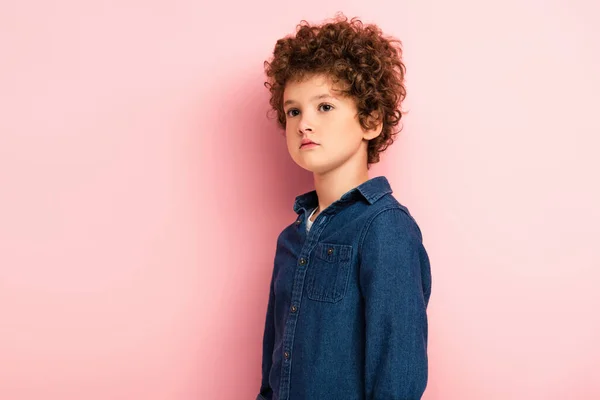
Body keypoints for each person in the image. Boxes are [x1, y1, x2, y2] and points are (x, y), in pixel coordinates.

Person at [257, 13, 432, 400]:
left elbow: (397, 377)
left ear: (370, 121)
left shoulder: (385, 229)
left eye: (325, 107)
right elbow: (273, 371)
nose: (304, 124)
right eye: (293, 111)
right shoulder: (290, 239)